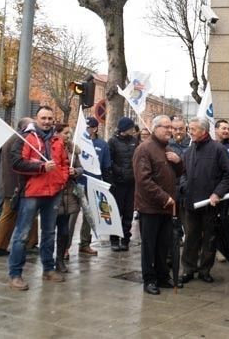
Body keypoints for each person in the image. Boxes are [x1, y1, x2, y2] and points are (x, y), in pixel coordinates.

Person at [8, 106, 70, 290]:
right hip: (32, 193)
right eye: (43, 118)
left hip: (53, 192)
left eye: (50, 118)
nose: (47, 121)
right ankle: (15, 274)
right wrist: (41, 167)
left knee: (49, 233)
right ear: (37, 119)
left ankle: (48, 269)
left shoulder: (57, 140)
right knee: (22, 235)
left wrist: (62, 179)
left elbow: (64, 162)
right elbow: (17, 163)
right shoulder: (26, 137)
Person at [180, 117, 229, 283]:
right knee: (190, 238)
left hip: (210, 204)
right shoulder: (188, 151)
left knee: (209, 239)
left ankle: (205, 270)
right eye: (189, 129)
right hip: (191, 203)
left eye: (193, 129)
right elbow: (183, 173)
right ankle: (188, 269)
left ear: (203, 131)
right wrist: (184, 186)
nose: (190, 132)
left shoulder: (218, 149)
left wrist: (217, 194)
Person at [133, 115, 184, 295]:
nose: (171, 131)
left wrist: (178, 162)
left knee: (164, 244)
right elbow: (144, 180)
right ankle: (149, 279)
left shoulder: (167, 148)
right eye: (166, 127)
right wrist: (164, 198)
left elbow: (177, 173)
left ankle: (163, 276)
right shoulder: (144, 149)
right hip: (150, 207)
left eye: (172, 127)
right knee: (149, 245)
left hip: (167, 207)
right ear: (155, 128)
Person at [0, 117, 37, 257]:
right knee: (11, 214)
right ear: (25, 127)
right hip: (15, 185)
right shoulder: (20, 139)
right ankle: (0, 246)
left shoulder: (12, 138)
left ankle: (28, 242)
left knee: (18, 214)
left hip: (11, 184)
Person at [67, 116, 111, 257]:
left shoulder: (102, 145)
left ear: (94, 129)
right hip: (77, 184)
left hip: (93, 185)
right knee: (72, 216)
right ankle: (65, 246)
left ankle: (85, 243)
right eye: (84, 128)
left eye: (89, 128)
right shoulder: (75, 144)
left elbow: (105, 166)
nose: (86, 130)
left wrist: (105, 186)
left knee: (89, 217)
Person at [53, 123, 82, 273]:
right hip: (53, 193)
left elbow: (80, 168)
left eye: (69, 134)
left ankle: (60, 259)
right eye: (65, 133)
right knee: (49, 230)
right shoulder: (50, 147)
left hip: (68, 194)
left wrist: (75, 171)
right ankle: (48, 259)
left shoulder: (72, 150)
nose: (68, 136)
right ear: (57, 133)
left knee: (64, 230)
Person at [107, 116, 139, 251]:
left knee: (128, 213)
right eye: (131, 128)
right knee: (116, 211)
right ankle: (114, 238)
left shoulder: (135, 141)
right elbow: (109, 161)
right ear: (125, 129)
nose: (133, 130)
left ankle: (125, 238)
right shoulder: (112, 142)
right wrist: (119, 171)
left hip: (131, 183)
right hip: (117, 183)